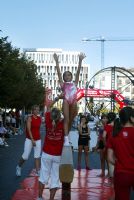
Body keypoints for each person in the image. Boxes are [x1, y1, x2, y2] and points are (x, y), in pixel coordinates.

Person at [53, 52, 86, 146]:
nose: (67, 76)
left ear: (71, 77)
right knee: (67, 119)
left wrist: (80, 60)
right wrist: (56, 61)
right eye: (65, 75)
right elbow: (59, 72)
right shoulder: (63, 84)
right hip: (66, 101)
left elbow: (78, 71)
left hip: (74, 101)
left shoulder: (75, 83)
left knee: (71, 120)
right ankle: (66, 139)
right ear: (63, 78)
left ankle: (66, 134)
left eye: (69, 75)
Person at [37, 96, 64, 200]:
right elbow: (70, 113)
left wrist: (56, 98)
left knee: (43, 176)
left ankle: (40, 197)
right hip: (57, 155)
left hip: (46, 153)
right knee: (55, 179)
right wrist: (64, 98)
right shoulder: (62, 123)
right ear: (59, 116)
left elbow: (48, 106)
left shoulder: (48, 120)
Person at [107, 106, 134, 200]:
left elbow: (109, 158)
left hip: (121, 173)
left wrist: (120, 163)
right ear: (131, 118)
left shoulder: (114, 134)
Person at [16, 105, 42, 177]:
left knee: (37, 156)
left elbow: (44, 123)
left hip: (38, 139)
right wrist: (32, 140)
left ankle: (38, 171)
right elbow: (28, 130)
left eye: (38, 110)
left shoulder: (39, 118)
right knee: (25, 156)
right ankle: (18, 166)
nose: (37, 111)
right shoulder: (29, 118)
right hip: (29, 139)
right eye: (36, 110)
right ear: (33, 110)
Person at [103, 112, 116, 179]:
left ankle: (111, 175)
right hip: (116, 145)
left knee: (109, 160)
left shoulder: (107, 126)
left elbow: (104, 136)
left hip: (109, 145)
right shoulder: (117, 126)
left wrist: (105, 143)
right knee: (115, 159)